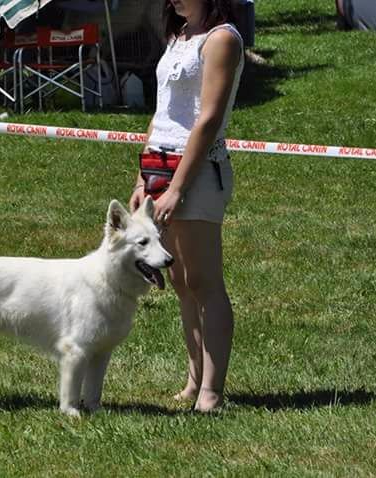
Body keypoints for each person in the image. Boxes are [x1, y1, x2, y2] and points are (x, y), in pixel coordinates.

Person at [129, 0, 243, 412]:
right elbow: (163, 114)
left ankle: (212, 391)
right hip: (160, 168)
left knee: (204, 282)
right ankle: (194, 380)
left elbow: (208, 118)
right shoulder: (178, 36)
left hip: (197, 171)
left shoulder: (222, 39)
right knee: (180, 284)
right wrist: (144, 177)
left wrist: (177, 187)